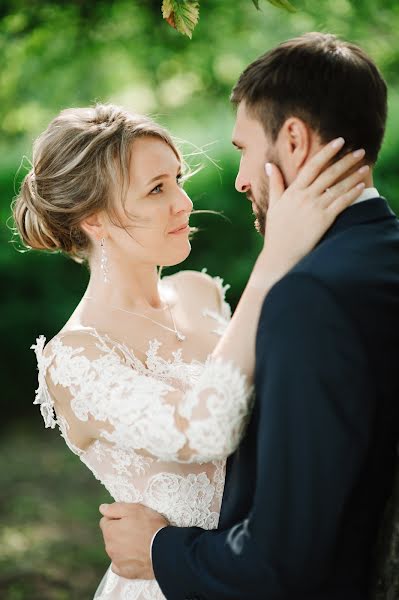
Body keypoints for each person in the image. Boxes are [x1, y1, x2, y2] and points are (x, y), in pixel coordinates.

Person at [12, 96, 363, 599]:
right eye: (156, 189)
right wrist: (276, 259)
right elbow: (205, 429)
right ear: (95, 220)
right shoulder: (74, 360)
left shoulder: (200, 291)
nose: (183, 202)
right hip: (168, 585)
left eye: (177, 179)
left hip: (263, 565)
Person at [98, 33, 399, 600]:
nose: (238, 179)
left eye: (242, 148)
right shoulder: (382, 259)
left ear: (292, 139)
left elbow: (284, 564)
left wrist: (160, 550)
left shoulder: (311, 297)